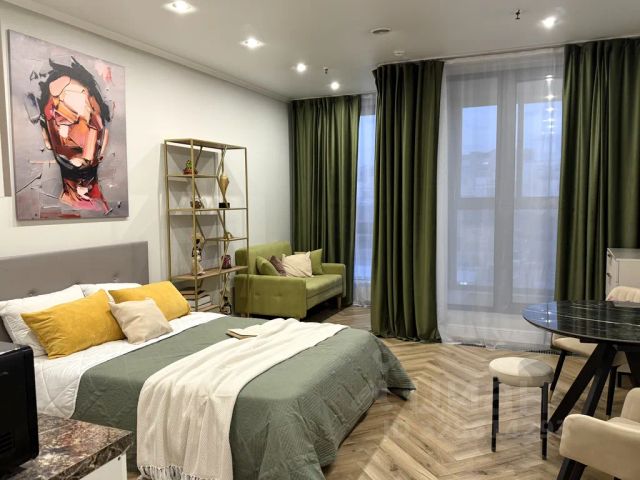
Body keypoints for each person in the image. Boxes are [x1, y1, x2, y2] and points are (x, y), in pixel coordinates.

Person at [34, 58, 112, 213]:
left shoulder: (107, 210)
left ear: (104, 137)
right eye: (64, 118)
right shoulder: (50, 211)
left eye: (92, 121)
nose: (81, 132)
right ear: (46, 134)